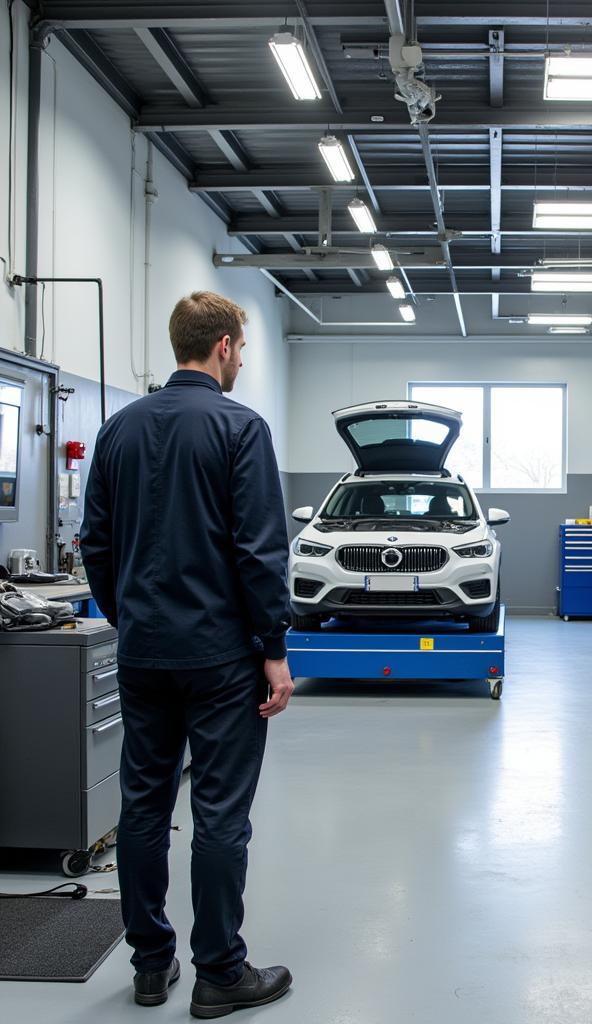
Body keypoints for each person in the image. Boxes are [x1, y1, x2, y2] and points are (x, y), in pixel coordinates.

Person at [81, 291, 295, 1018]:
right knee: (219, 814)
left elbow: (95, 545)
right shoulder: (240, 427)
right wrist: (273, 649)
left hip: (143, 653)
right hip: (222, 658)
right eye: (243, 349)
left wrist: (129, 617)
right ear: (227, 347)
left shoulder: (118, 430)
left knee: (141, 807)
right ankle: (220, 972)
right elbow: (261, 554)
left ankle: (150, 966)